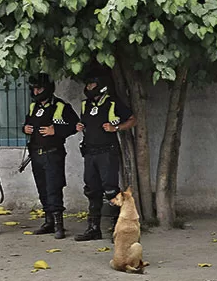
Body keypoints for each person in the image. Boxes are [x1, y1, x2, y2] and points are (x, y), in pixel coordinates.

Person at [73, 66, 135, 242]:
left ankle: (119, 229)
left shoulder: (113, 103)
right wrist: (79, 126)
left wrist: (116, 128)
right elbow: (84, 122)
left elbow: (132, 119)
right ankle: (93, 229)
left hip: (107, 152)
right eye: (88, 84)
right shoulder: (86, 104)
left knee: (110, 190)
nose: (89, 87)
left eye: (92, 84)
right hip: (90, 152)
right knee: (92, 190)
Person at [22, 72, 77, 238]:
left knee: (54, 188)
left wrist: (56, 130)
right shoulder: (34, 107)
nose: (36, 92)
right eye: (34, 89)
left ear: (47, 88)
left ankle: (59, 225)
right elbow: (27, 123)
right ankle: (48, 222)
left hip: (53, 154)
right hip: (36, 154)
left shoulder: (60, 106)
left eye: (39, 89)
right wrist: (25, 128)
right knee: (42, 189)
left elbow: (76, 125)